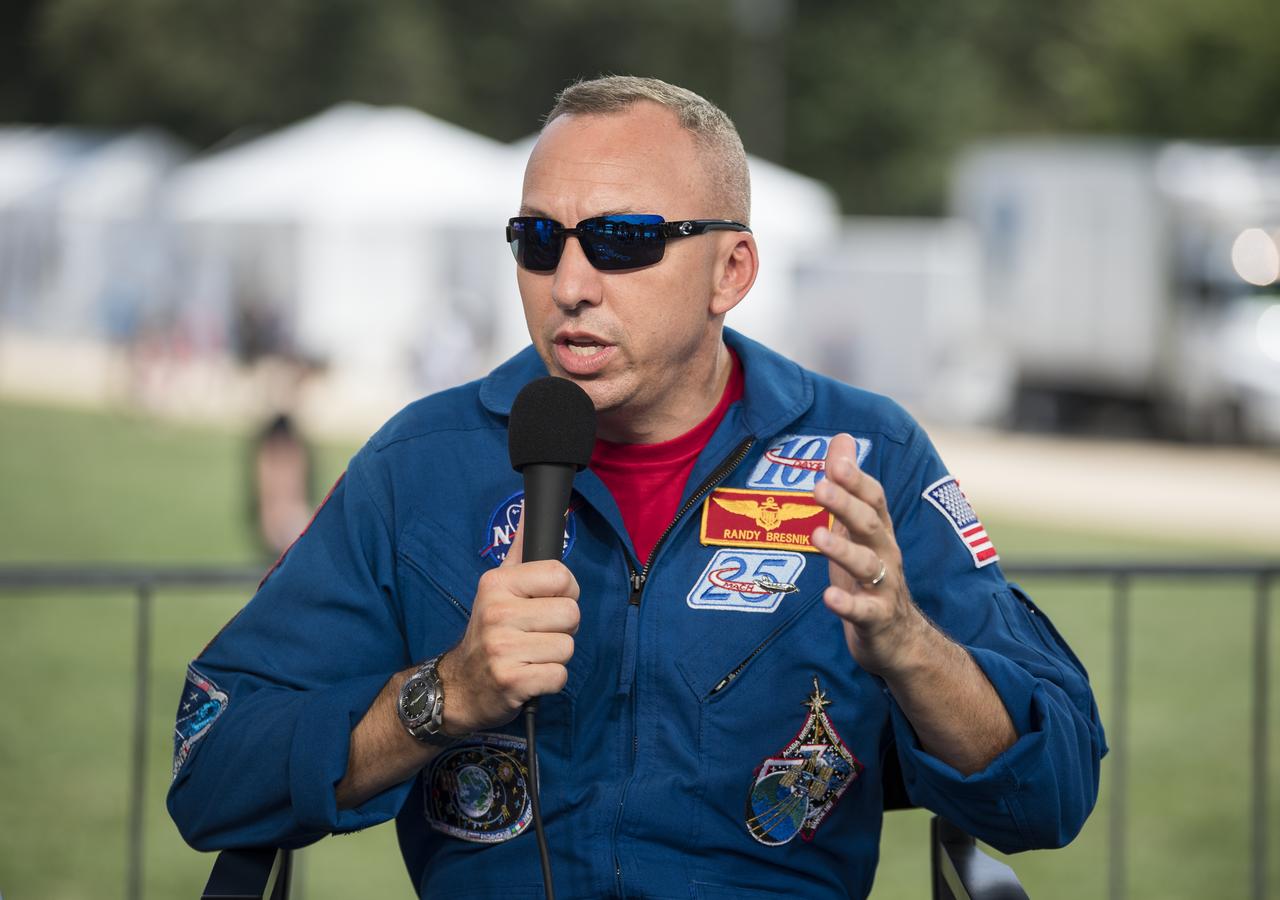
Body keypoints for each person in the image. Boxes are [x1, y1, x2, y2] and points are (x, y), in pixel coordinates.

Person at [169, 76, 1105, 899]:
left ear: (730, 271)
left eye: (620, 241)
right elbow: (213, 769)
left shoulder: (864, 457)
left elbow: (1053, 788)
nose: (569, 281)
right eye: (538, 240)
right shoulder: (422, 463)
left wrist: (909, 646)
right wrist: (441, 696)